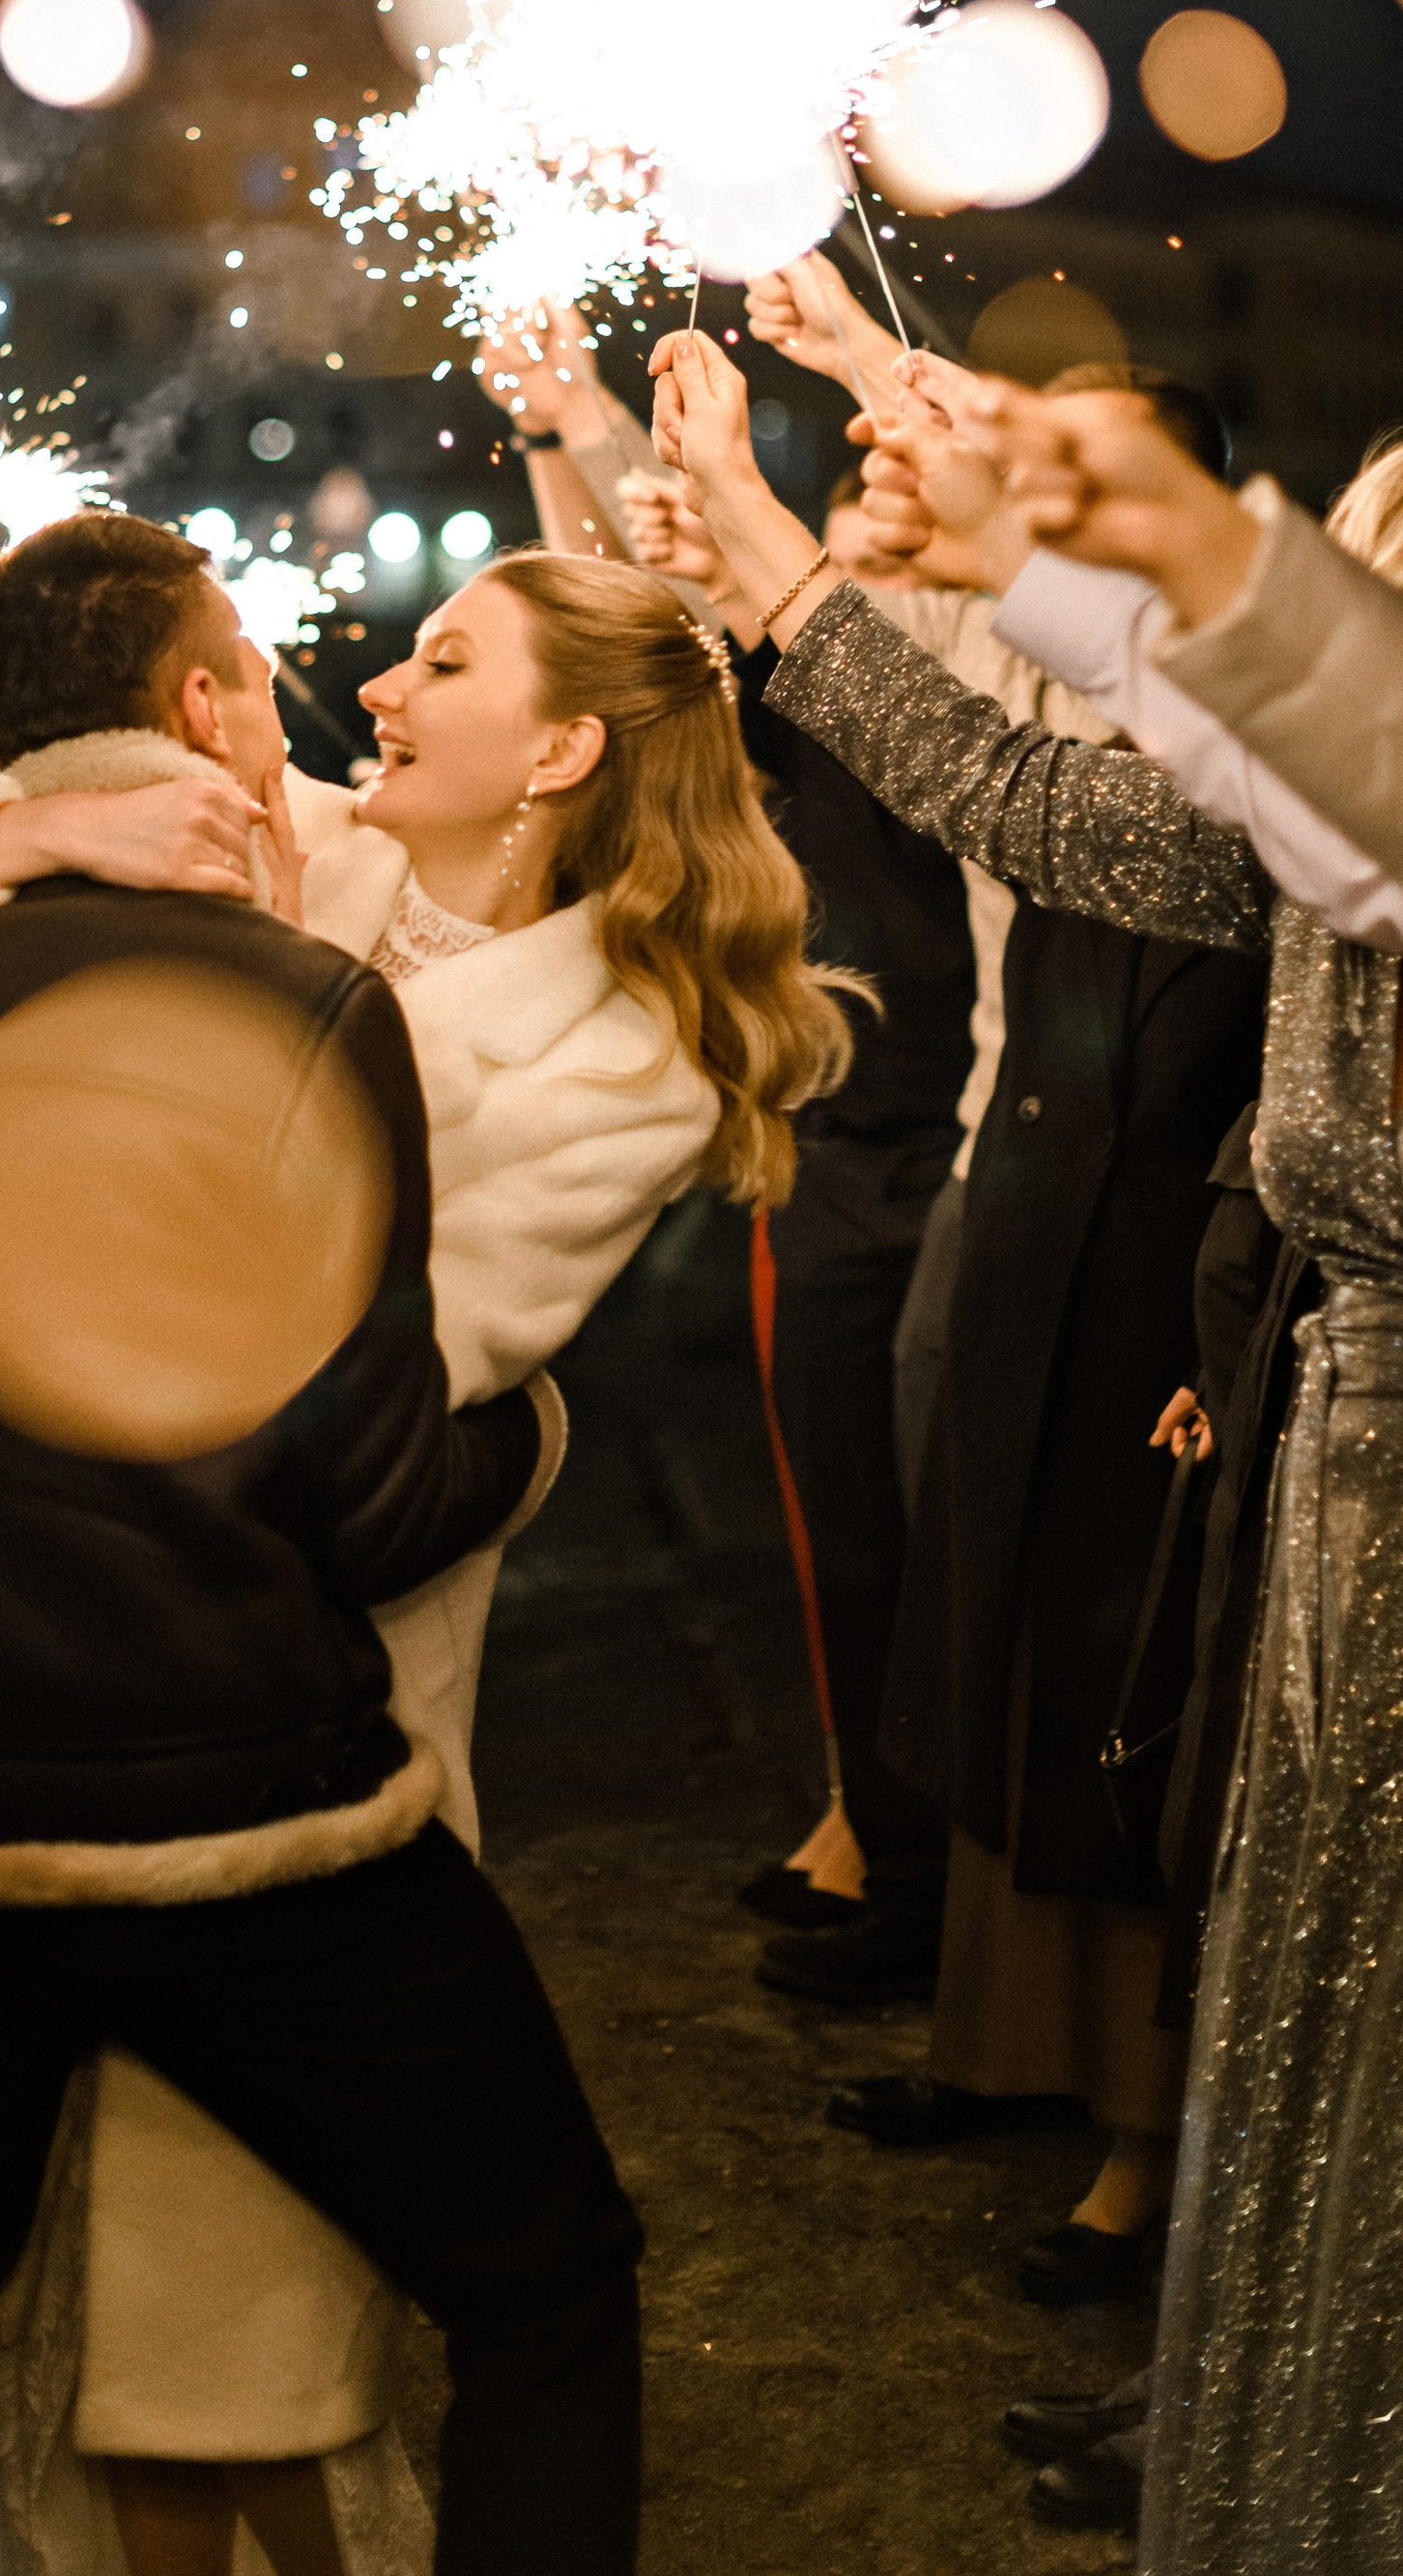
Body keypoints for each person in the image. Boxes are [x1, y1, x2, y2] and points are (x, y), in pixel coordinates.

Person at [0, 509, 848, 2576]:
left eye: (441, 663)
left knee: (216, 2362)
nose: (372, 691)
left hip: (274, 1655)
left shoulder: (615, 1051)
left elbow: (403, 1394)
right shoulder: (282, 858)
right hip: (116, 1678)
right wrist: (18, 848)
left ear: (559, 757)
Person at [654, 319, 1403, 2575]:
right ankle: (1255, 2469)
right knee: (1288, 2047)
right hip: (1308, 1536)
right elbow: (1035, 799)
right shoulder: (1317, 880)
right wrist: (769, 561)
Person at [957, 357, 1403, 2573]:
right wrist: (937, 544)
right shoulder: (1359, 901)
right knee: (1294, 2076)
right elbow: (1126, 786)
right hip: (1337, 1577)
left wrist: (1141, 555)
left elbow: (1393, 793)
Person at [482, 302, 975, 1936]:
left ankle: (912, 1844)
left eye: (899, 471)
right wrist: (567, 417)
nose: (869, 494)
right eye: (854, 482)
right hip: (838, 1127)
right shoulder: (816, 662)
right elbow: (644, 633)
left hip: (944, 1125)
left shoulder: (951, 668)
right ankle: (871, 1811)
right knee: (845, 1503)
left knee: (930, 1511)